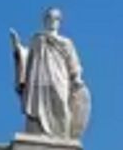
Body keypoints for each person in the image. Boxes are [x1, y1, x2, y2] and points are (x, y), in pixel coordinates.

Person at [10, 8, 89, 141]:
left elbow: (73, 62)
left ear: (59, 22)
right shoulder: (38, 39)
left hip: (59, 78)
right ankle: (38, 132)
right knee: (38, 104)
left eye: (55, 19)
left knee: (60, 103)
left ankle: (62, 135)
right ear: (45, 20)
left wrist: (76, 77)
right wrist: (18, 48)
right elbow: (28, 58)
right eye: (49, 18)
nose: (52, 21)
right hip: (39, 78)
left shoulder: (66, 43)